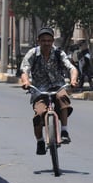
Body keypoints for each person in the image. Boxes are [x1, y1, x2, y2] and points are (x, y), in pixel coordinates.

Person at [20, 27, 78, 155]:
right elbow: (24, 70)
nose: (46, 43)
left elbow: (72, 68)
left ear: (52, 41)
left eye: (49, 40)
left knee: (63, 98)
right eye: (43, 40)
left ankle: (64, 131)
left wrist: (73, 80)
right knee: (38, 116)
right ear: (38, 41)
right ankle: (40, 141)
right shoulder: (33, 54)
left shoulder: (58, 53)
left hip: (57, 86)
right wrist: (26, 82)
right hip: (39, 90)